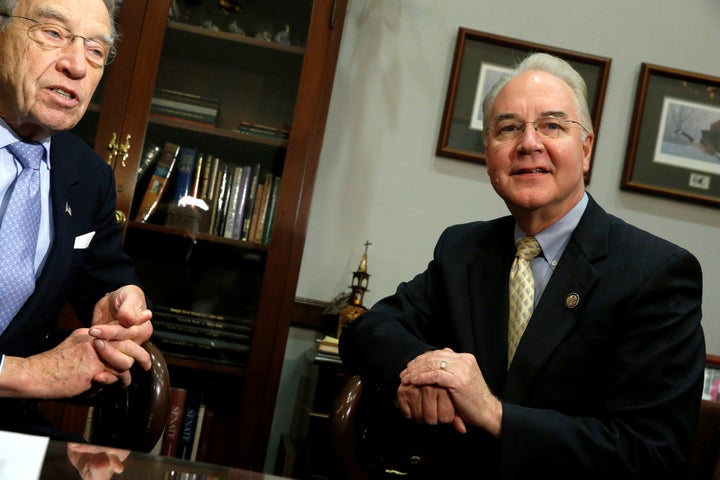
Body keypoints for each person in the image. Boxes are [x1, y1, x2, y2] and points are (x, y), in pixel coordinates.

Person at [339, 52, 705, 479]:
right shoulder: (463, 249)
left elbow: (650, 456)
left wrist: (495, 414)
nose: (529, 143)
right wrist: (433, 371)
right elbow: (370, 330)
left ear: (585, 150)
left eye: (552, 125)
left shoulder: (657, 274)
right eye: (508, 128)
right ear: (489, 156)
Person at [0, 0, 153, 439]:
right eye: (53, 33)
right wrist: (24, 374)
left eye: (96, 52)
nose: (76, 66)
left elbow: (106, 273)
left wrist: (122, 302)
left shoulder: (89, 175)